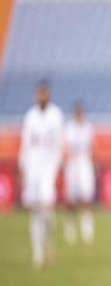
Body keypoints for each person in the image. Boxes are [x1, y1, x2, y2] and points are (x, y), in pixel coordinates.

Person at [18, 80, 64, 269]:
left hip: (48, 168)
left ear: (49, 94)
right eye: (39, 93)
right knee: (34, 210)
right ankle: (38, 253)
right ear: (36, 95)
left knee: (47, 207)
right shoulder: (30, 117)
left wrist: (58, 169)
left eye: (45, 93)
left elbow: (59, 144)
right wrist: (23, 168)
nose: (42, 96)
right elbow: (25, 145)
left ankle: (49, 240)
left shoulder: (56, 116)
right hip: (32, 169)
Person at [63, 101, 96, 245]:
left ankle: (87, 228)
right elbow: (65, 147)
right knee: (70, 198)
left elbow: (92, 147)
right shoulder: (68, 127)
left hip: (85, 163)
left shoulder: (88, 127)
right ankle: (70, 225)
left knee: (87, 196)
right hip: (72, 164)